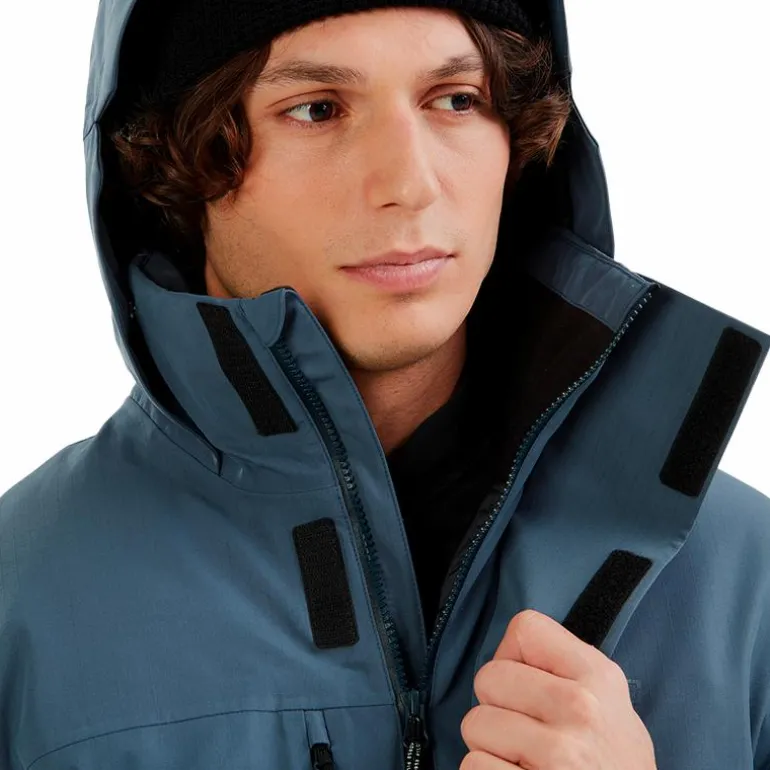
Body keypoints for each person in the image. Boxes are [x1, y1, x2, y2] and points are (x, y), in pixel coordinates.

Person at [1, 0, 769, 768]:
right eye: (317, 109)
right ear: (180, 154)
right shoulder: (24, 599)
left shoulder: (747, 578)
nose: (409, 183)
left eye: (456, 100)